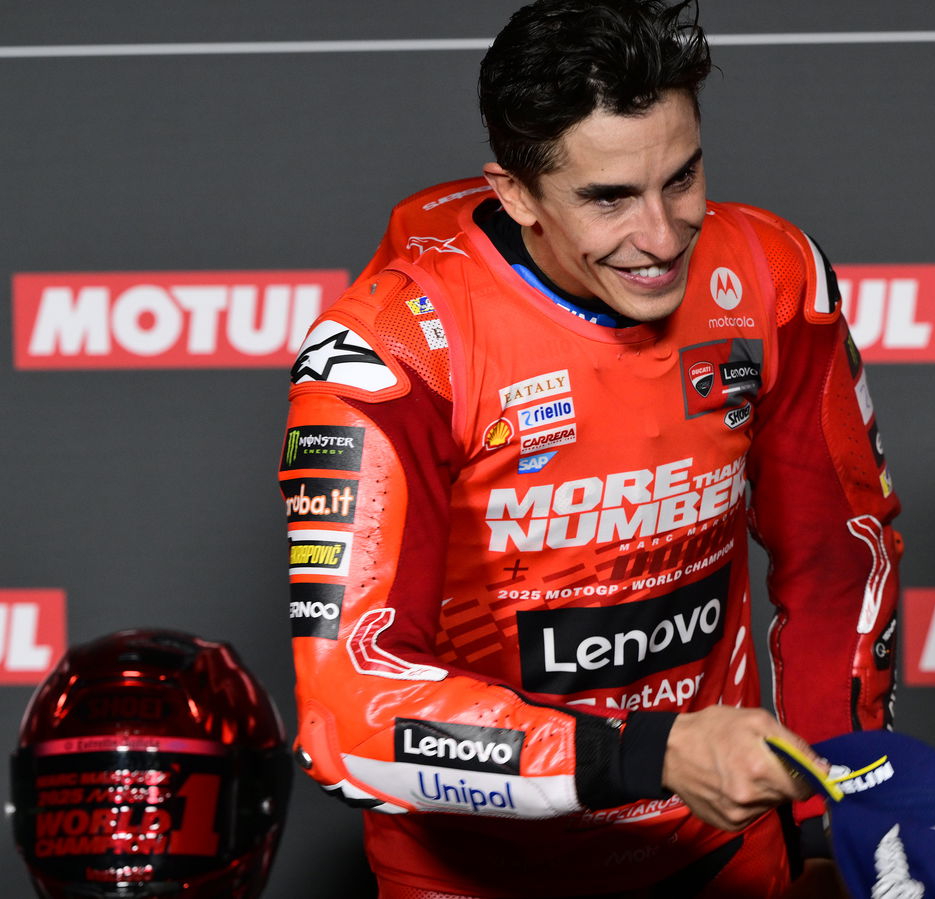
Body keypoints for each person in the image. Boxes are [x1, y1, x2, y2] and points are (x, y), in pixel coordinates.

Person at [277, 1, 903, 896]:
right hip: (476, 876)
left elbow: (840, 563)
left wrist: (830, 822)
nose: (661, 235)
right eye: (609, 199)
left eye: (682, 178)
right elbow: (348, 709)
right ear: (515, 193)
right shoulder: (396, 349)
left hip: (720, 857)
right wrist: (651, 754)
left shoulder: (772, 277)